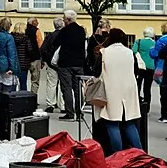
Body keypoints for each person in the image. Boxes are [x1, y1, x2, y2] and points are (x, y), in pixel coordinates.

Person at [94, 27, 144, 156]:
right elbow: (136, 70)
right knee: (129, 122)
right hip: (129, 88)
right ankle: (140, 153)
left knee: (112, 122)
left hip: (111, 88)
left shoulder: (104, 52)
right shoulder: (129, 52)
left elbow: (96, 71)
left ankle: (118, 155)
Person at [51, 11, 88, 120]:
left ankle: (70, 113)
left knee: (66, 88)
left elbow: (55, 43)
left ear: (68, 20)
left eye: (64, 19)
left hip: (65, 63)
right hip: (79, 63)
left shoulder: (64, 31)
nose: (63, 20)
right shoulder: (81, 30)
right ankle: (79, 113)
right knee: (78, 89)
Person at [16, 18, 39, 93]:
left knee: (15, 82)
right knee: (30, 81)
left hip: (16, 62)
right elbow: (34, 48)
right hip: (28, 61)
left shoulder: (12, 37)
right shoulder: (27, 37)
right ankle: (29, 97)